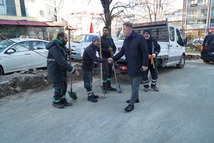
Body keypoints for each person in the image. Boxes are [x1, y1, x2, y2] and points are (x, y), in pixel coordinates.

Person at [108, 22, 149, 112]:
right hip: (130, 65)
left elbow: (145, 52)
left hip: (139, 66)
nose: (123, 31)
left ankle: (131, 104)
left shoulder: (139, 38)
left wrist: (145, 65)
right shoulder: (126, 39)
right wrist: (113, 59)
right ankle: (136, 98)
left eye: (124, 29)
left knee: (135, 85)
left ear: (130, 28)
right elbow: (122, 51)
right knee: (132, 84)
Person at [46, 32, 79, 109]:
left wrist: (67, 52)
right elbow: (62, 61)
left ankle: (63, 99)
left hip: (61, 70)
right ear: (61, 38)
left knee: (64, 86)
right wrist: (73, 70)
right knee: (59, 87)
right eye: (66, 38)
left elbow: (62, 53)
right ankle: (56, 101)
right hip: (55, 71)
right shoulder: (54, 48)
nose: (67, 40)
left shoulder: (61, 46)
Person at [82, 36, 108, 103]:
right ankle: (90, 96)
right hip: (86, 67)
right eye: (98, 41)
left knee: (90, 81)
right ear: (94, 41)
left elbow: (100, 50)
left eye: (99, 41)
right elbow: (95, 59)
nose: (99, 42)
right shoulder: (89, 49)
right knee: (87, 82)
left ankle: (91, 93)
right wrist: (105, 60)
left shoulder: (94, 47)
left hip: (90, 67)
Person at [100, 26, 117, 93]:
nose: (104, 31)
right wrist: (108, 50)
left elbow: (114, 47)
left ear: (108, 31)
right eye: (103, 30)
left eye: (106, 30)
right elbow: (99, 49)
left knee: (110, 72)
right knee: (105, 72)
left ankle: (108, 86)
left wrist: (113, 51)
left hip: (110, 58)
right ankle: (104, 87)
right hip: (104, 58)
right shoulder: (101, 39)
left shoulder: (110, 39)